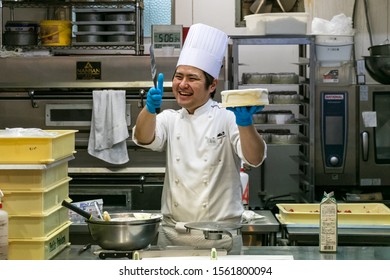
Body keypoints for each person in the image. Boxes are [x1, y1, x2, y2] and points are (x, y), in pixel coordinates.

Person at [132, 23, 266, 254]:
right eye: (178, 77)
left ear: (212, 84)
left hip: (220, 236)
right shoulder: (170, 118)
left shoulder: (228, 117)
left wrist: (246, 124)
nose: (182, 84)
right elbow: (144, 138)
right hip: (173, 235)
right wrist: (149, 110)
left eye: (192, 78)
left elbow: (254, 159)